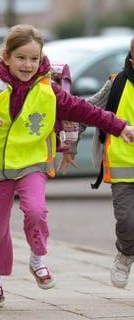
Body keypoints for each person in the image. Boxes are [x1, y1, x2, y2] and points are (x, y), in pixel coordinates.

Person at [0, 24, 134, 308]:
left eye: (34, 59)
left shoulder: (50, 91)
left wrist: (120, 127)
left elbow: (87, 110)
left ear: (41, 59)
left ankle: (38, 259)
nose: (28, 64)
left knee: (35, 210)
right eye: (21, 58)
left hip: (32, 163)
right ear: (6, 57)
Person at [60, 36, 134, 290]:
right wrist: (69, 145)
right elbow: (84, 111)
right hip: (123, 168)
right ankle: (125, 254)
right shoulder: (117, 85)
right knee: (126, 222)